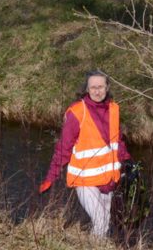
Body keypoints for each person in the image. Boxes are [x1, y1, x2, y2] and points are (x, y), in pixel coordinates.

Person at [39, 70, 133, 239]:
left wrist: (127, 160)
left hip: (109, 179)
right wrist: (51, 177)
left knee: (105, 222)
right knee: (101, 220)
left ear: (107, 87)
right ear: (87, 89)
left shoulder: (113, 109)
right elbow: (63, 147)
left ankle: (95, 244)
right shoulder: (77, 112)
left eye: (101, 87)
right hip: (84, 180)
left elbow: (117, 141)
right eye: (93, 87)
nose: (97, 91)